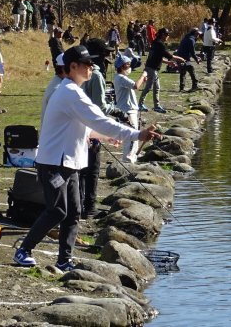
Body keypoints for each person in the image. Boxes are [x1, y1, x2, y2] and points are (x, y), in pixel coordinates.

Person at [12, 45, 160, 271]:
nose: (92, 67)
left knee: (74, 212)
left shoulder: (74, 91)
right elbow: (100, 120)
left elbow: (86, 127)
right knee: (57, 210)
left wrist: (104, 137)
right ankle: (24, 250)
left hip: (69, 163)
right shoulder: (69, 92)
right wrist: (137, 134)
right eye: (87, 63)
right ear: (73, 67)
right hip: (54, 164)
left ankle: (64, 260)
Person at [81, 37, 125, 219]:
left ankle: (81, 205)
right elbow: (100, 106)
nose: (109, 59)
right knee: (92, 169)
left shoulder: (82, 73)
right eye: (106, 54)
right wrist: (118, 111)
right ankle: (89, 208)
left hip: (81, 127)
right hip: (93, 128)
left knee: (81, 170)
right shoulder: (96, 75)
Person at [138, 27, 186, 113]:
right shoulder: (160, 44)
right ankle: (140, 104)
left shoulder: (155, 43)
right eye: (167, 35)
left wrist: (169, 63)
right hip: (151, 69)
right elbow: (171, 56)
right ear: (163, 35)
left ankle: (156, 106)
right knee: (148, 87)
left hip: (152, 68)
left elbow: (159, 57)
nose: (168, 36)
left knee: (157, 88)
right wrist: (181, 59)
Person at [113, 54, 148, 163]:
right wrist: (143, 75)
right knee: (131, 136)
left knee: (131, 135)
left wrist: (143, 80)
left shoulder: (121, 78)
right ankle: (128, 159)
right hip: (127, 110)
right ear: (121, 66)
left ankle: (131, 157)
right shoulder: (120, 78)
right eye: (127, 65)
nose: (129, 67)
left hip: (128, 109)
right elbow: (136, 86)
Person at [176, 28, 202, 92]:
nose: (199, 36)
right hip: (184, 58)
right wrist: (197, 60)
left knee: (182, 72)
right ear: (195, 34)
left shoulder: (186, 37)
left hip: (179, 57)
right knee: (191, 70)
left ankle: (181, 88)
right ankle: (194, 86)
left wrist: (196, 57)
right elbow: (192, 52)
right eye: (198, 34)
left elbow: (190, 52)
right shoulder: (191, 40)